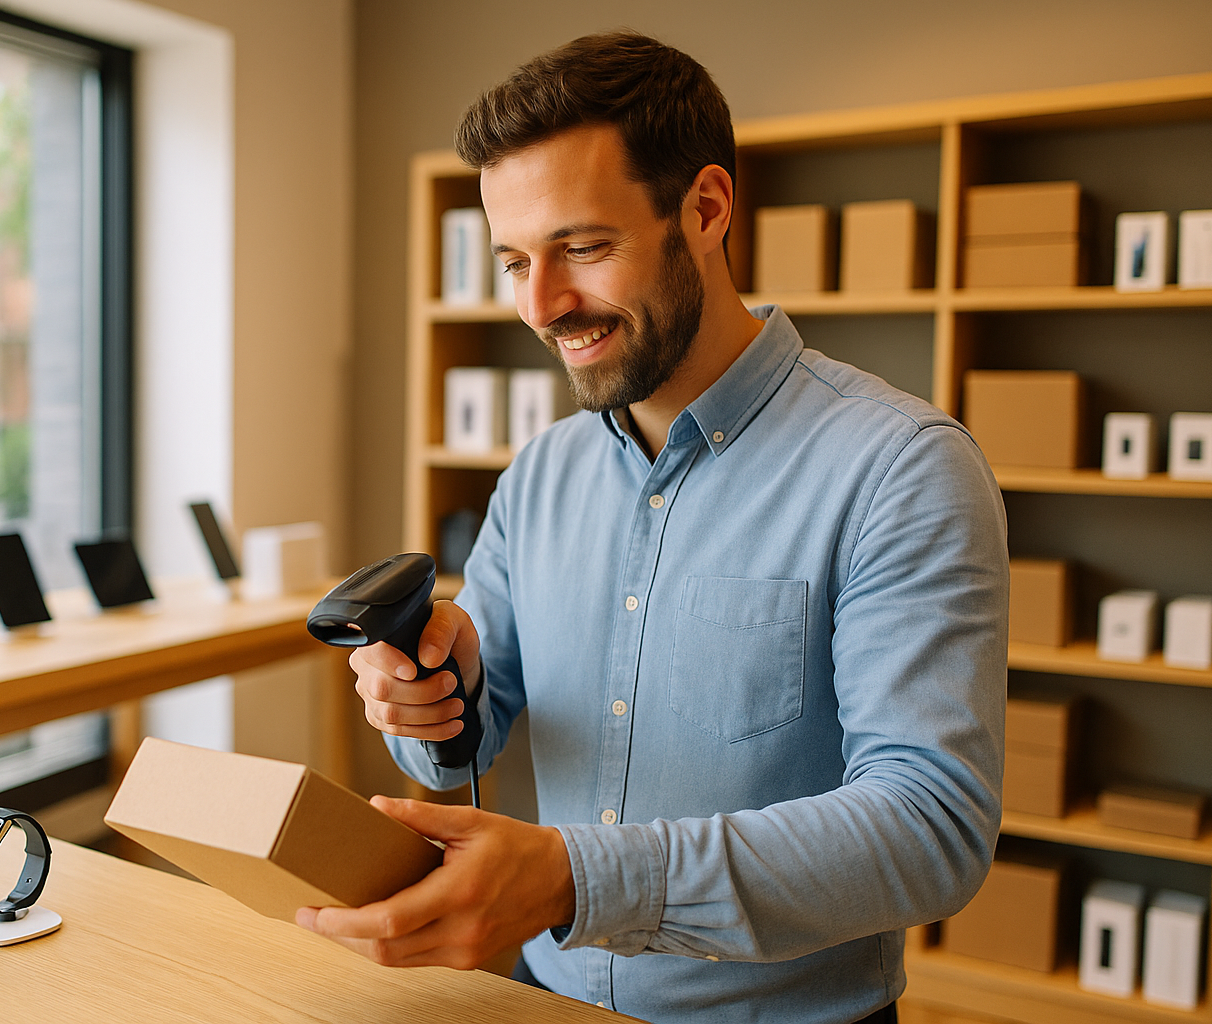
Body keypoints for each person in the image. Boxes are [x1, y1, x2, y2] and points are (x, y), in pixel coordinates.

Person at [296, 31, 1008, 1024]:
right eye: (513, 261)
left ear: (707, 209)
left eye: (583, 247)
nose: (542, 306)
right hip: (548, 996)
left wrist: (577, 880)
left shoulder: (902, 467)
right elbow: (466, 739)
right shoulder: (541, 470)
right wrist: (427, 698)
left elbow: (932, 827)